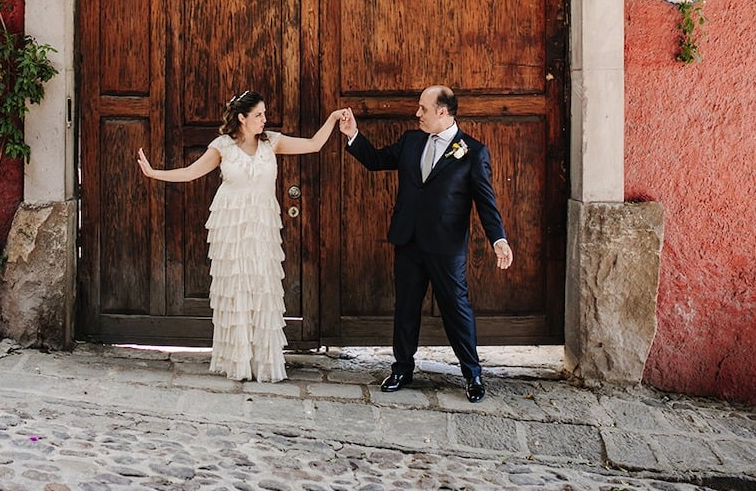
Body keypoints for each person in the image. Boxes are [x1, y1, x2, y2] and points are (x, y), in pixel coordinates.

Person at [137, 91, 346, 383]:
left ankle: (263, 362)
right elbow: (190, 173)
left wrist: (334, 119)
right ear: (241, 118)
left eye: (264, 114)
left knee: (262, 289)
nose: (264, 119)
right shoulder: (222, 146)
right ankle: (237, 361)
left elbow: (313, 145)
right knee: (235, 290)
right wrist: (154, 173)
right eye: (258, 114)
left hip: (262, 227)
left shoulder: (272, 142)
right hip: (230, 229)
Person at [338, 85, 513, 403]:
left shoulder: (472, 152)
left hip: (446, 247)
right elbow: (376, 160)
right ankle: (402, 369)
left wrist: (498, 238)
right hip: (408, 240)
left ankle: (472, 374)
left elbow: (485, 202)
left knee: (456, 310)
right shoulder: (410, 140)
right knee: (405, 307)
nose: (417, 113)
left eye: (423, 108)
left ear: (442, 112)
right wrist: (353, 135)